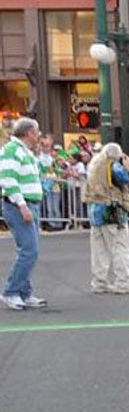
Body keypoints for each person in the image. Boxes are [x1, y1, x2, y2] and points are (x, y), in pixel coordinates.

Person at [0, 117, 46, 311]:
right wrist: (22, 205)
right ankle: (11, 291)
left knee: (29, 250)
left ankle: (24, 292)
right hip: (20, 205)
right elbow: (7, 179)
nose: (39, 137)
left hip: (28, 203)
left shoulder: (23, 151)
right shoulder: (12, 150)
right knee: (29, 250)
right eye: (37, 133)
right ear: (29, 133)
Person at [83, 143, 129, 295]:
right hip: (111, 209)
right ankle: (123, 282)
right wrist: (127, 168)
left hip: (95, 210)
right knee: (120, 246)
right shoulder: (111, 166)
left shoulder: (93, 165)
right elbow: (126, 179)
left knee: (99, 249)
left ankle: (99, 281)